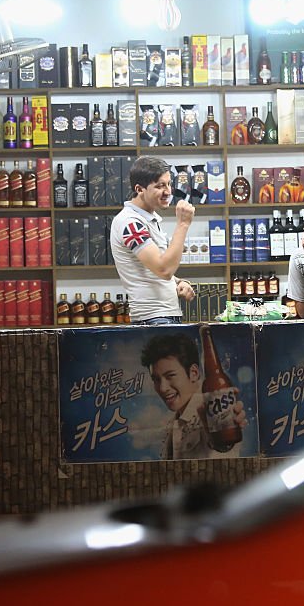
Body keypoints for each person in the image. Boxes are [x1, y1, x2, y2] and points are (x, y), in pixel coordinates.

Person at [110, 156, 196, 324]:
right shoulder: (130, 222)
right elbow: (163, 269)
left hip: (163, 316)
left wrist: (178, 282)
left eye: (169, 184)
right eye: (160, 186)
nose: (168, 192)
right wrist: (183, 224)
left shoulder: (147, 219)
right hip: (154, 318)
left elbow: (154, 270)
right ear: (139, 189)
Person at [141, 333, 246, 460]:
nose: (162, 388)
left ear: (193, 373)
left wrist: (222, 437)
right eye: (156, 379)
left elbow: (224, 450)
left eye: (170, 376)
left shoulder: (214, 411)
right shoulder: (175, 421)